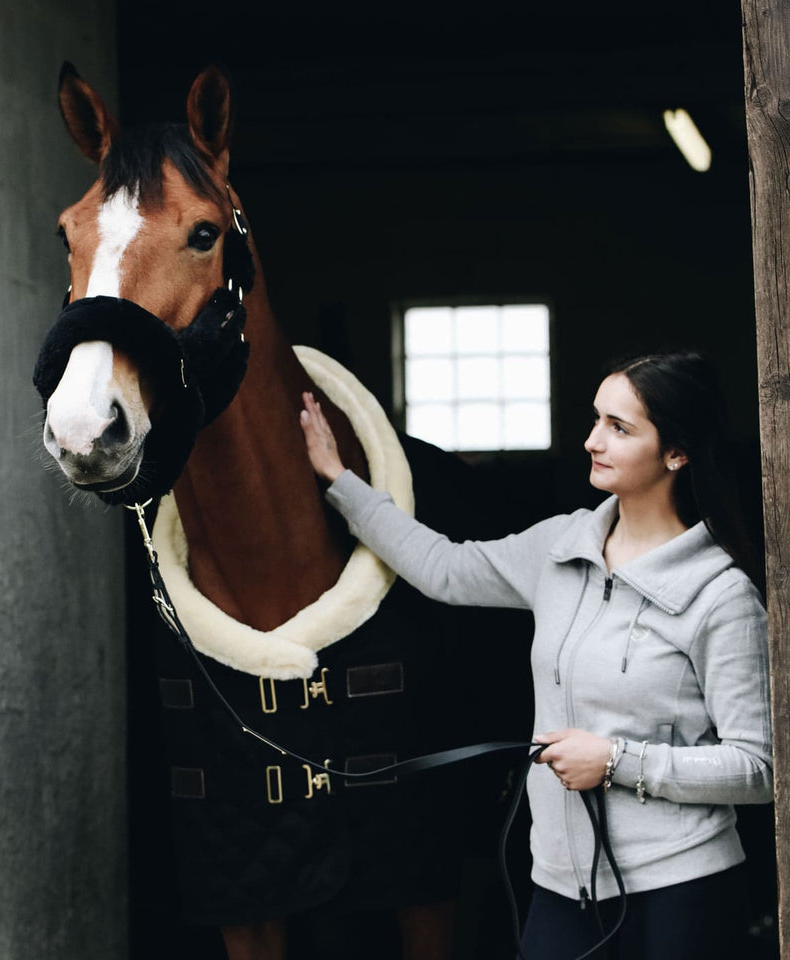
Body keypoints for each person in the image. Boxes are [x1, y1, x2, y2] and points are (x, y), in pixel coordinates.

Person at [298, 351, 772, 959]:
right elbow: (444, 569)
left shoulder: (721, 595)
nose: (592, 440)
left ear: (676, 453)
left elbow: (757, 769)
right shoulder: (560, 547)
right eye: (597, 418)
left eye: (619, 428)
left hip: (683, 889)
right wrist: (342, 483)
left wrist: (616, 760)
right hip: (558, 887)